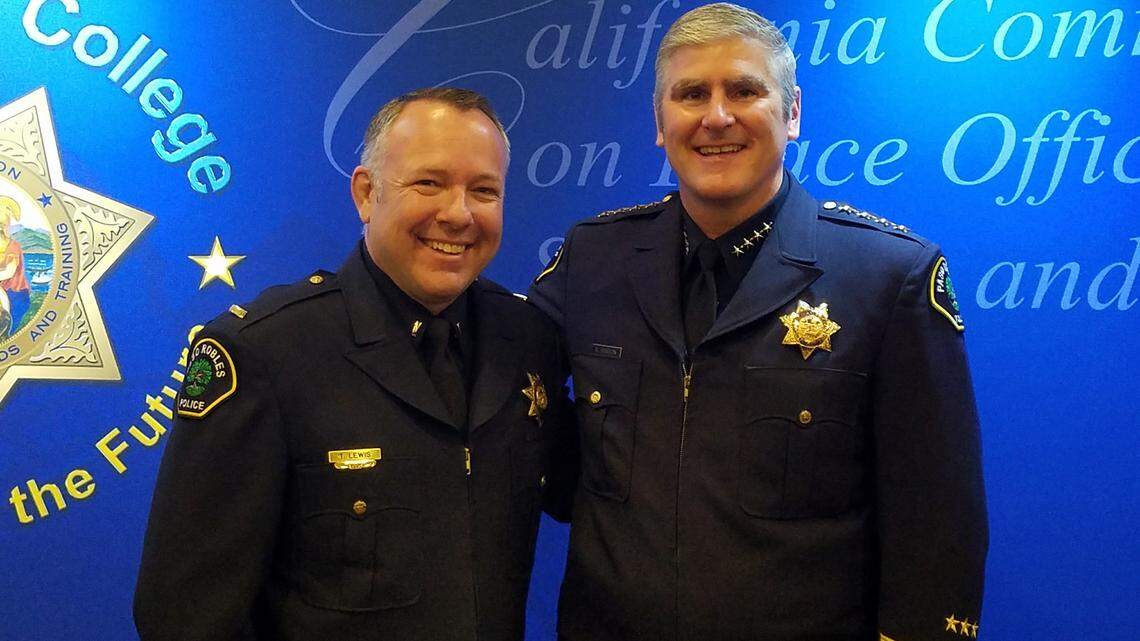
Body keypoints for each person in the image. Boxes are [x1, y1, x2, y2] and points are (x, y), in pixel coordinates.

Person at [529, 4, 987, 640]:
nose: (717, 116)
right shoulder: (593, 261)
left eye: (744, 90)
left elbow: (937, 520)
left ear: (792, 111)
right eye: (691, 94)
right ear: (659, 122)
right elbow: (503, 392)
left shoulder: (888, 276)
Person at [135, 88, 574, 641]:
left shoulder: (527, 341)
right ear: (367, 194)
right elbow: (184, 616)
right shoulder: (265, 352)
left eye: (483, 191)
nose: (458, 214)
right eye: (429, 183)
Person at [0, 195, 31, 338]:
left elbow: (9, 272)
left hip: (16, 294)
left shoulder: (13, 247)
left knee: (8, 329)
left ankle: (5, 326)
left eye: (2, 226)